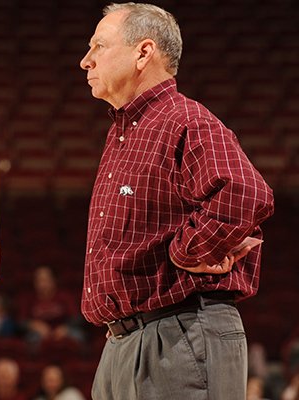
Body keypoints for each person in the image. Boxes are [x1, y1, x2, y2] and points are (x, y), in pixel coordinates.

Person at [78, 3, 275, 400]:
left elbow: (245, 192)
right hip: (127, 341)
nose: (86, 60)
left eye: (99, 46)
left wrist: (187, 253)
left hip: (178, 333)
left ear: (143, 52)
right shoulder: (125, 131)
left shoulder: (185, 120)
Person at [18, 266, 83, 345]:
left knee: (78, 336)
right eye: (39, 280)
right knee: (29, 341)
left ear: (53, 280)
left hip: (63, 329)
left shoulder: (64, 296)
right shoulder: (28, 298)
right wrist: (33, 325)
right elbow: (21, 322)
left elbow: (76, 318)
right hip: (38, 333)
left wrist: (65, 328)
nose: (42, 284)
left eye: (45, 280)